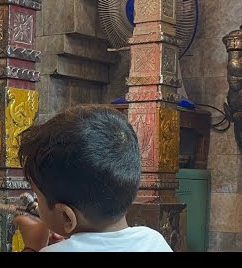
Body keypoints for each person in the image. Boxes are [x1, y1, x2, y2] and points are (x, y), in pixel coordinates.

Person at [12, 104, 173, 252]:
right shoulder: (153, 241)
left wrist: (32, 247)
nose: (36, 205)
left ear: (67, 216)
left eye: (38, 198)